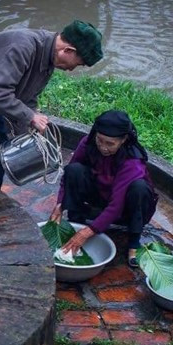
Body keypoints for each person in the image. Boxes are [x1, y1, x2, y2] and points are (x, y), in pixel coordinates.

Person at [0, 20, 104, 188]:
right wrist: (30, 116)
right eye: (78, 64)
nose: (72, 69)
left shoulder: (49, 59)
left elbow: (28, 97)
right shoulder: (21, 47)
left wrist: (28, 131)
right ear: (68, 50)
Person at [48, 109, 158, 267]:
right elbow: (68, 176)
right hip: (100, 197)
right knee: (74, 170)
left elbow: (116, 205)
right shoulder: (88, 143)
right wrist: (60, 204)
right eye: (100, 140)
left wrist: (87, 233)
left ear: (123, 140)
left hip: (125, 209)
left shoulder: (132, 162)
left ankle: (134, 243)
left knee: (139, 188)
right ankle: (76, 223)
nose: (103, 147)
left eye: (110, 144)